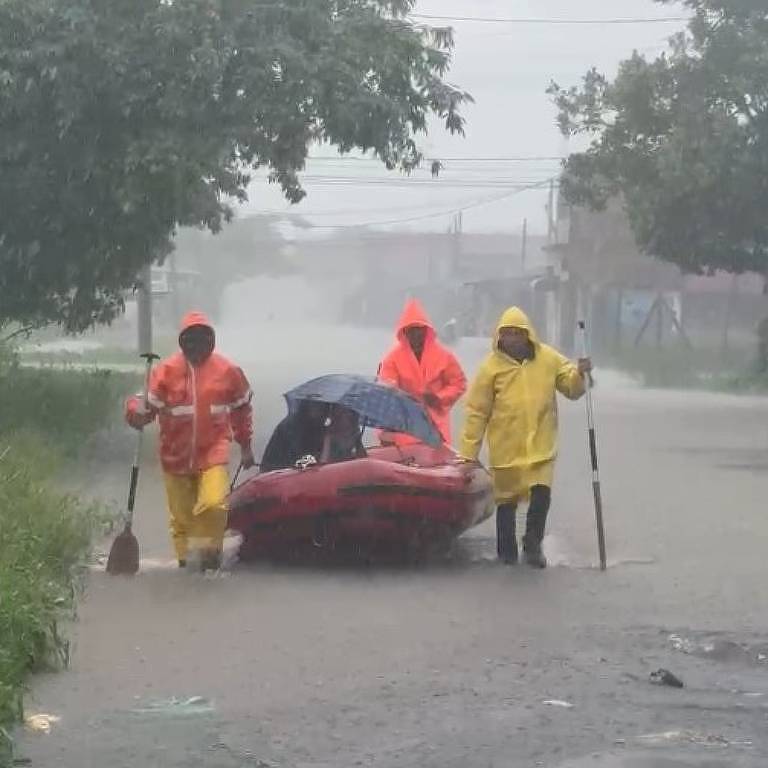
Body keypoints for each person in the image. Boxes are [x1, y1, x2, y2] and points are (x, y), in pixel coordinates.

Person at [459, 306, 592, 568]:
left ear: (527, 335)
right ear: (499, 337)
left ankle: (533, 545)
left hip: (541, 446)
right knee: (506, 503)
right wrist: (468, 456)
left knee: (541, 494)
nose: (512, 339)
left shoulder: (548, 359)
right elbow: (477, 413)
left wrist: (580, 374)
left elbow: (572, 388)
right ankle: (506, 554)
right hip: (506, 449)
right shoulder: (490, 369)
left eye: (517, 334)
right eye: (507, 334)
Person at [125, 311, 254, 571]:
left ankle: (208, 553)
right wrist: (135, 413)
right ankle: (187, 564)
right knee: (182, 518)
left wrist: (245, 444)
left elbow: (242, 409)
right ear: (182, 342)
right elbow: (145, 406)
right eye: (190, 340)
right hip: (175, 454)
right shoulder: (167, 371)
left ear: (211, 341)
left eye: (203, 340)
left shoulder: (227, 371)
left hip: (213, 451)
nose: (197, 347)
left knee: (214, 503)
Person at [378, 298, 467, 446]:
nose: (416, 335)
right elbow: (385, 391)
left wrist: (439, 398)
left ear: (426, 330)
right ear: (404, 332)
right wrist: (385, 433)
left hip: (436, 430)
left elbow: (459, 383)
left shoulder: (444, 356)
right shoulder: (392, 359)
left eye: (419, 329)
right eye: (411, 330)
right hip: (405, 429)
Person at [260, 400, 329, 473]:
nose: (320, 411)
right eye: (317, 406)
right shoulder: (293, 427)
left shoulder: (320, 428)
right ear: (308, 406)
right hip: (282, 473)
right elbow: (299, 460)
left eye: (323, 408)